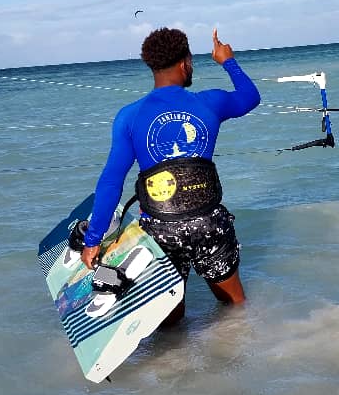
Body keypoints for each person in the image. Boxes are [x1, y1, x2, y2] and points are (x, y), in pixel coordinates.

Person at [80, 27, 260, 315]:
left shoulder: (129, 116)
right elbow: (250, 97)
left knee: (170, 322)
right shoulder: (209, 102)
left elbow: (112, 182)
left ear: (152, 66)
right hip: (208, 223)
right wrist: (227, 60)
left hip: (160, 229)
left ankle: (174, 358)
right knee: (235, 308)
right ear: (185, 62)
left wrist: (93, 241)